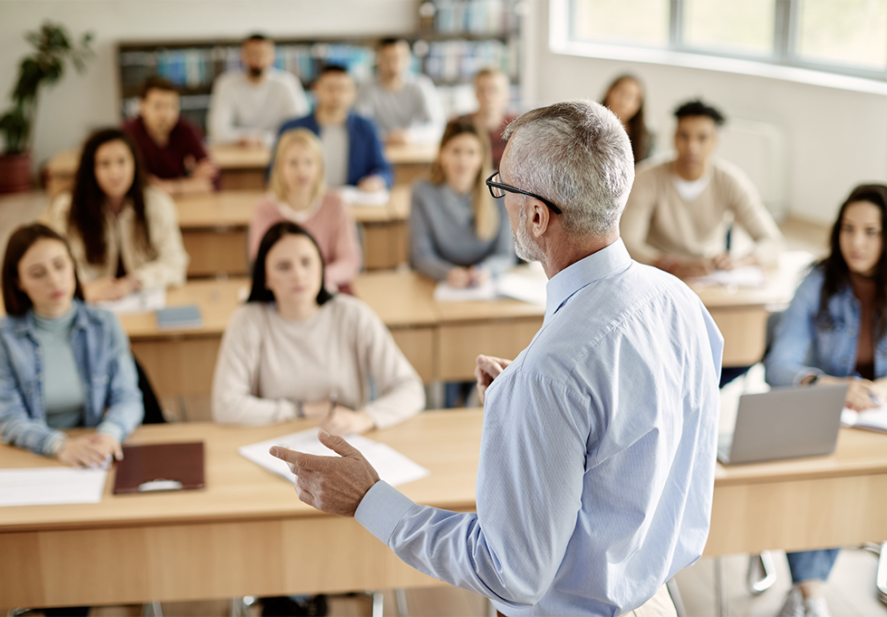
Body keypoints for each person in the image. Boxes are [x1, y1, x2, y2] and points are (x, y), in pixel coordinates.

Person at [270, 100, 724, 617]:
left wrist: (368, 498)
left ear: (536, 215)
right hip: (656, 599)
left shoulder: (554, 373)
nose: (497, 198)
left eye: (501, 187)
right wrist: (533, 409)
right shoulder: (680, 301)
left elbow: (512, 573)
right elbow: (631, 437)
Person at [764, 183, 887, 617]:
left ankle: (805, 594)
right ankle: (810, 594)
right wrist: (828, 384)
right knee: (824, 477)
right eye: (849, 229)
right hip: (822, 420)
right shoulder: (817, 284)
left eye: (872, 232)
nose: (857, 242)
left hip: (876, 422)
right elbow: (779, 367)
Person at [213, 221, 424, 433]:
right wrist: (301, 410)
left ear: (321, 266)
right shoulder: (248, 320)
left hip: (345, 440)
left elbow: (410, 389)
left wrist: (364, 418)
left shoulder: (352, 314)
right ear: (265, 278)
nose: (298, 275)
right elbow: (225, 406)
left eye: (307, 262)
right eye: (283, 267)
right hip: (275, 441)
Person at [0, 223, 142, 466]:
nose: (55, 280)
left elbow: (127, 397)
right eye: (38, 273)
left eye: (60, 265)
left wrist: (110, 433)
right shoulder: (1, 336)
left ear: (73, 265)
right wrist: (59, 446)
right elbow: (10, 419)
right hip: (35, 453)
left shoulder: (104, 323)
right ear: (18, 282)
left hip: (94, 450)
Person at [621, 99, 784, 278]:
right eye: (684, 136)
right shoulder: (646, 177)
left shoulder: (730, 181)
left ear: (715, 141)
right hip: (657, 272)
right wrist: (671, 264)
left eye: (702, 138)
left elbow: (773, 242)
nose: (692, 146)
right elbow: (628, 242)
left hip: (709, 274)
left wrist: (739, 262)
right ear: (673, 138)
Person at [47, 128, 189, 303]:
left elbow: (175, 262)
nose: (115, 173)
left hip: (141, 300)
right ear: (91, 169)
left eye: (122, 162)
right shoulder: (67, 208)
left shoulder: (157, 202)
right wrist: (84, 288)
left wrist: (135, 282)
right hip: (88, 301)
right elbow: (58, 263)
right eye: (105, 164)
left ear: (135, 163)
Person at [248, 129, 362, 290]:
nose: (301, 171)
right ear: (280, 167)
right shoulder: (264, 209)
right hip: (282, 293)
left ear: (319, 167)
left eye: (309, 162)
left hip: (327, 287)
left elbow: (349, 262)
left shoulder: (335, 204)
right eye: (293, 163)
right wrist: (295, 282)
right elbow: (261, 264)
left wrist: (313, 280)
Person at [409, 118, 515, 288]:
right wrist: (447, 273)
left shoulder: (499, 189)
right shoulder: (422, 192)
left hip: (485, 284)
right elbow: (421, 256)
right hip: (439, 284)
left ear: (481, 158)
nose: (463, 160)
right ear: (442, 155)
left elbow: (505, 254)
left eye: (471, 152)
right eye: (456, 151)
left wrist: (487, 271)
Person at [277, 64, 393, 191]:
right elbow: (274, 173)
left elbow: (383, 170)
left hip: (352, 200)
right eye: (330, 89)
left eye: (343, 89)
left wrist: (377, 180)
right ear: (316, 89)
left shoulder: (366, 127)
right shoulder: (292, 128)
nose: (336, 95)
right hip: (305, 200)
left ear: (353, 93)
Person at [207, 33, 309, 147]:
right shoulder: (226, 84)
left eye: (262, 53)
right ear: (242, 56)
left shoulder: (287, 83)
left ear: (272, 56)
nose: (257, 59)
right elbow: (217, 131)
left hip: (279, 150)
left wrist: (262, 140)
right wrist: (246, 139)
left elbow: (299, 128)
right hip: (236, 152)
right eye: (251, 53)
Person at [122, 76, 217, 195]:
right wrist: (190, 183)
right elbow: (132, 185)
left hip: (184, 206)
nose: (165, 114)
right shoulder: (128, 134)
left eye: (172, 106)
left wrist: (168, 187)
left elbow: (213, 181)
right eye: (158, 106)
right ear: (141, 106)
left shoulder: (186, 130)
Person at [355, 38, 445, 145]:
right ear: (378, 60)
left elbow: (437, 125)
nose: (393, 65)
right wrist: (385, 137)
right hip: (378, 148)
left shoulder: (422, 86)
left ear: (409, 59)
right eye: (387, 59)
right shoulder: (366, 88)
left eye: (398, 58)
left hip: (415, 149)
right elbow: (359, 125)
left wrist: (412, 136)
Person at [458, 68, 518, 169]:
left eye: (494, 90)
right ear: (475, 93)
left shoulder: (518, 127)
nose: (487, 96)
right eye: (482, 90)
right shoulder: (460, 125)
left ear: (506, 94)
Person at [600, 74, 654, 164]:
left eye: (634, 98)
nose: (625, 102)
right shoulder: (586, 123)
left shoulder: (646, 137)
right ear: (608, 93)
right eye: (622, 93)